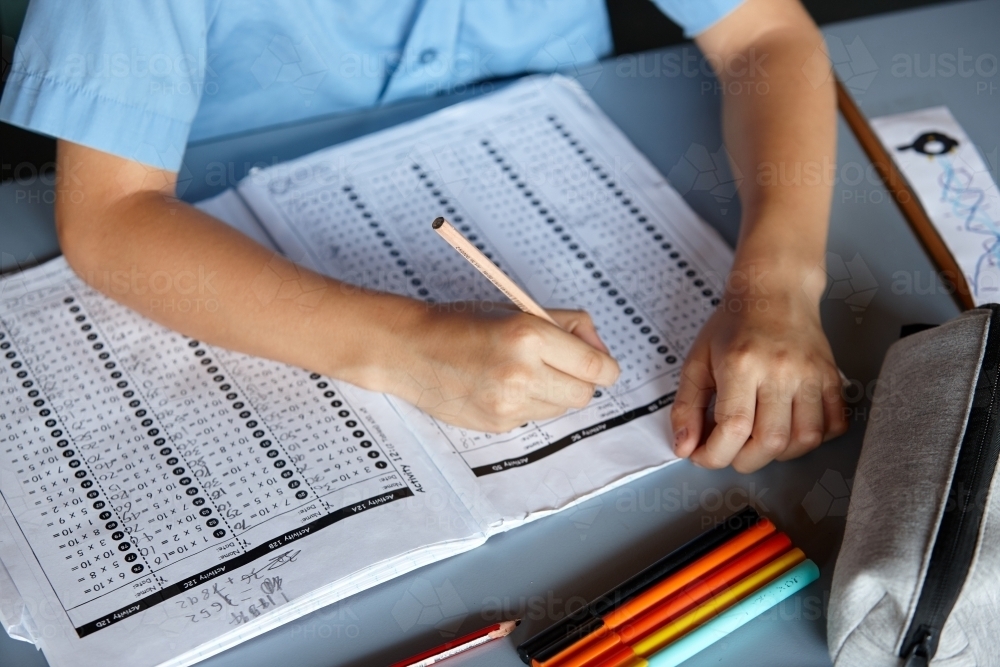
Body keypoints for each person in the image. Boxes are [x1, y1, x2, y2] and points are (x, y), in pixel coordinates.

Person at [0, 0, 846, 473]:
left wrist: (776, 284)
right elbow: (108, 216)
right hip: (234, 228)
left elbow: (765, 34)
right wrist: (401, 348)